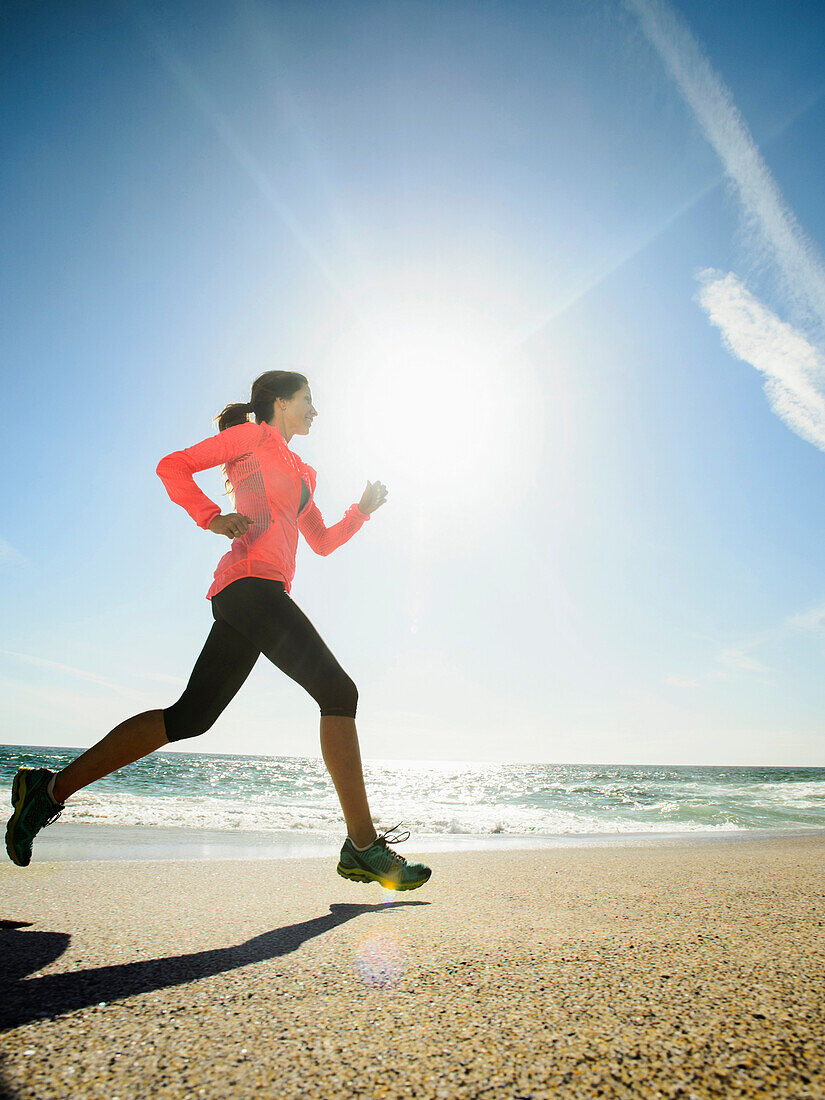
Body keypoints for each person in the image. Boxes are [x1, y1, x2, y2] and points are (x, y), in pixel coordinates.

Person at [5, 370, 431, 891]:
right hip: (249, 588)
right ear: (279, 402)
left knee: (191, 717)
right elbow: (173, 467)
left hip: (258, 595)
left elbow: (318, 540)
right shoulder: (252, 438)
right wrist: (211, 517)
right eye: (307, 401)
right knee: (339, 692)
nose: (315, 412)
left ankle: (47, 791)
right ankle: (363, 848)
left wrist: (360, 513)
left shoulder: (304, 472)